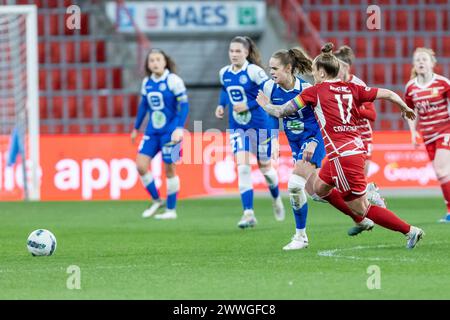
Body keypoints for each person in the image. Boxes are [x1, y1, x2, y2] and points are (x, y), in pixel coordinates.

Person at [257, 43, 424, 249]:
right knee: (318, 189)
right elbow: (388, 94)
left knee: (361, 209)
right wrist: (405, 107)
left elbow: (282, 111)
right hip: (353, 148)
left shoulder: (315, 91)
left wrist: (265, 105)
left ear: (322, 72)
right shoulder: (353, 88)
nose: (313, 76)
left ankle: (410, 230)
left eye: (315, 72)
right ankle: (366, 192)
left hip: (342, 155)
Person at [263, 47, 374, 250]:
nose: (271, 72)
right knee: (316, 192)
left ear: (288, 68)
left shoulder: (307, 89)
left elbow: (320, 117)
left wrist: (314, 140)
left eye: (274, 68)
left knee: (295, 185)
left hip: (314, 139)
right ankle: (361, 215)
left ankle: (300, 237)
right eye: (270, 68)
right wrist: (274, 140)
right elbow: (272, 115)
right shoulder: (270, 88)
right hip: (295, 142)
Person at [215, 36, 285, 228]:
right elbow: (224, 89)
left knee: (265, 169)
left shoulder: (254, 72)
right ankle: (248, 213)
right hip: (238, 127)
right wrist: (221, 105)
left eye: (238, 51)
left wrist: (249, 104)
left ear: (246, 52)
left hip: (260, 127)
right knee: (243, 167)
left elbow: (268, 93)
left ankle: (276, 198)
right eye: (232, 51)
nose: (234, 54)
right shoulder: (224, 73)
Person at [131, 48, 189, 220]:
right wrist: (136, 128)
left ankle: (171, 210)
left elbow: (184, 106)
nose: (155, 63)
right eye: (152, 60)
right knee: (140, 166)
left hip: (171, 133)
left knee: (170, 168)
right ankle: (157, 200)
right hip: (152, 131)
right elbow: (144, 106)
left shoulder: (174, 81)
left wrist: (179, 127)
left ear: (165, 62)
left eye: (158, 59)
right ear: (148, 64)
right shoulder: (147, 82)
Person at [333, 45, 386, 208]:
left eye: (337, 66)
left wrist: (353, 108)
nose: (333, 69)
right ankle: (370, 193)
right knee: (350, 185)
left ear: (346, 67)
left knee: (358, 183)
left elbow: (372, 115)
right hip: (343, 136)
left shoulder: (358, 85)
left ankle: (368, 209)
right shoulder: (332, 84)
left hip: (362, 136)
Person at [405, 47, 450, 223]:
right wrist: (413, 132)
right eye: (417, 60)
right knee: (442, 174)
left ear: (433, 63)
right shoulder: (411, 87)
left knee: (442, 170)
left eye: (424, 59)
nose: (421, 62)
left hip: (445, 131)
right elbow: (410, 111)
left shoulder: (443, 83)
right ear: (414, 65)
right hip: (427, 134)